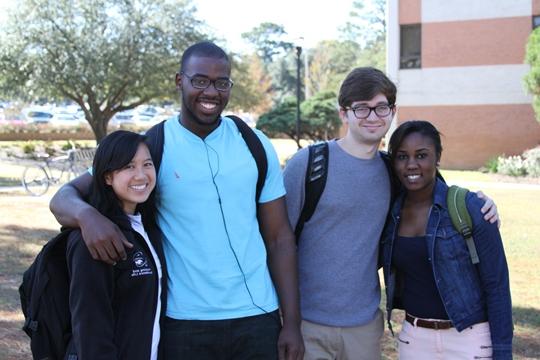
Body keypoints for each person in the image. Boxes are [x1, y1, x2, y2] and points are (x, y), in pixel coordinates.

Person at [50, 41, 304, 360]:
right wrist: (87, 217)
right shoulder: (151, 147)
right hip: (182, 323)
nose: (211, 91)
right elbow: (63, 198)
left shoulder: (255, 143)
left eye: (221, 82)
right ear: (179, 81)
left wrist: (291, 323)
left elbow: (280, 238)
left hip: (258, 318)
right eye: (200, 80)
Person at [283, 67, 499, 359]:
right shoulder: (308, 165)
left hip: (364, 326)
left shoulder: (393, 171)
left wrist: (481, 202)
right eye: (362, 108)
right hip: (308, 323)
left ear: (392, 111)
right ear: (343, 114)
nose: (373, 117)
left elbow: (438, 198)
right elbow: (278, 241)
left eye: (381, 107)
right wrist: (288, 321)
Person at [382, 120, 512, 359]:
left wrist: (503, 352)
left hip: (469, 340)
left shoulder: (470, 207)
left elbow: (497, 287)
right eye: (402, 156)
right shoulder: (390, 213)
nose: (411, 165)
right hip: (415, 339)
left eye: (421, 155)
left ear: (437, 157)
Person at [64, 130, 166, 359]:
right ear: (107, 177)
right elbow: (90, 328)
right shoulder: (93, 238)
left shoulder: (148, 228)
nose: (141, 175)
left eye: (147, 164)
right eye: (128, 166)